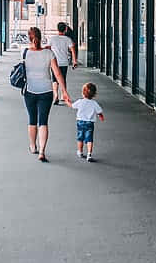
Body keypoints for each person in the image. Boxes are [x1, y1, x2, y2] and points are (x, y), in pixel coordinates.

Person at [22, 26, 71, 162]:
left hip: (30, 91)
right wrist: (64, 91)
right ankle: (42, 151)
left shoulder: (25, 53)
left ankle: (33, 146)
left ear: (29, 38)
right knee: (43, 121)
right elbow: (57, 73)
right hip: (47, 92)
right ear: (40, 37)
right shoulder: (49, 54)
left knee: (32, 120)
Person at [69, 82, 104, 162]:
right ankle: (89, 154)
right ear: (94, 94)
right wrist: (101, 116)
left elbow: (72, 106)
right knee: (89, 139)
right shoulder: (94, 103)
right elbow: (99, 112)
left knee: (80, 138)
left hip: (80, 122)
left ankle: (80, 152)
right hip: (90, 123)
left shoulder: (80, 101)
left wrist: (67, 101)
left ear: (83, 93)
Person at [47, 21, 77, 105]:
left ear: (57, 29)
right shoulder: (68, 39)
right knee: (63, 78)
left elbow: (48, 49)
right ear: (66, 29)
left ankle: (55, 95)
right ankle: (63, 95)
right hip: (64, 62)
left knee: (54, 79)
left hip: (54, 62)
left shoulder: (52, 39)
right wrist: (74, 61)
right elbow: (73, 50)